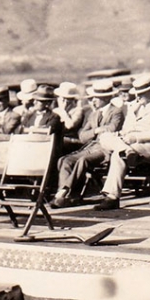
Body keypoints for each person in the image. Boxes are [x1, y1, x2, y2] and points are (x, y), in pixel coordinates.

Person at [92, 74, 150, 211]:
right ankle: (127, 151)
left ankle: (112, 197)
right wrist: (120, 135)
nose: (138, 97)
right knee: (104, 137)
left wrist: (135, 137)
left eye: (141, 93)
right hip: (130, 144)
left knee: (118, 154)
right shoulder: (133, 107)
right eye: (136, 93)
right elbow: (125, 130)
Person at [50, 80, 125, 208]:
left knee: (82, 161)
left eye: (97, 98)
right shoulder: (94, 114)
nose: (94, 100)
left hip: (105, 149)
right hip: (90, 147)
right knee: (65, 160)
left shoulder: (116, 112)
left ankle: (63, 192)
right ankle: (71, 196)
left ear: (106, 98)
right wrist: (97, 130)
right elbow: (82, 135)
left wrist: (94, 132)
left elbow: (113, 128)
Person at [54, 82, 86, 154]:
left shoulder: (77, 110)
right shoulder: (56, 110)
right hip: (58, 138)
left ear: (72, 100)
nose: (64, 102)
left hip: (71, 140)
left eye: (68, 99)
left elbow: (70, 125)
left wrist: (63, 112)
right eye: (62, 98)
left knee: (55, 142)